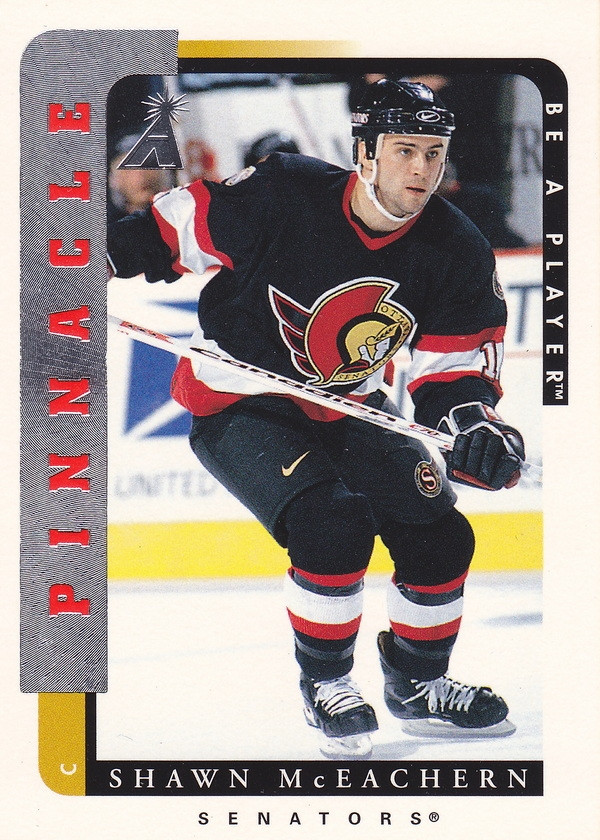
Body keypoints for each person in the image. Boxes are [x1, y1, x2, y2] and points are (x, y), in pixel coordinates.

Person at [107, 79, 526, 759]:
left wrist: (473, 426)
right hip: (239, 400)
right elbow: (168, 229)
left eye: (434, 153)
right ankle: (327, 684)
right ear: (366, 152)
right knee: (332, 524)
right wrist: (85, 259)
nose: (422, 169)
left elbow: (453, 371)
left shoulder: (457, 247)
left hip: (351, 403)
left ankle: (418, 687)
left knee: (442, 538)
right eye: (405, 150)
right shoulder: (285, 192)